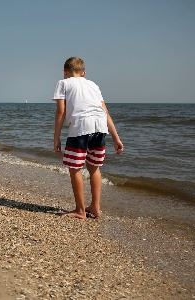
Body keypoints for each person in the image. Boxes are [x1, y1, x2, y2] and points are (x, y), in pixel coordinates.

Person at [53, 57, 124, 219]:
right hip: (100, 127)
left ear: (65, 72)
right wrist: (116, 138)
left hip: (80, 127)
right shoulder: (93, 85)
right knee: (94, 168)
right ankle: (95, 207)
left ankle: (80, 210)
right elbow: (105, 111)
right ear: (84, 72)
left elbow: (61, 112)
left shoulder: (63, 83)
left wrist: (56, 138)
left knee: (75, 168)